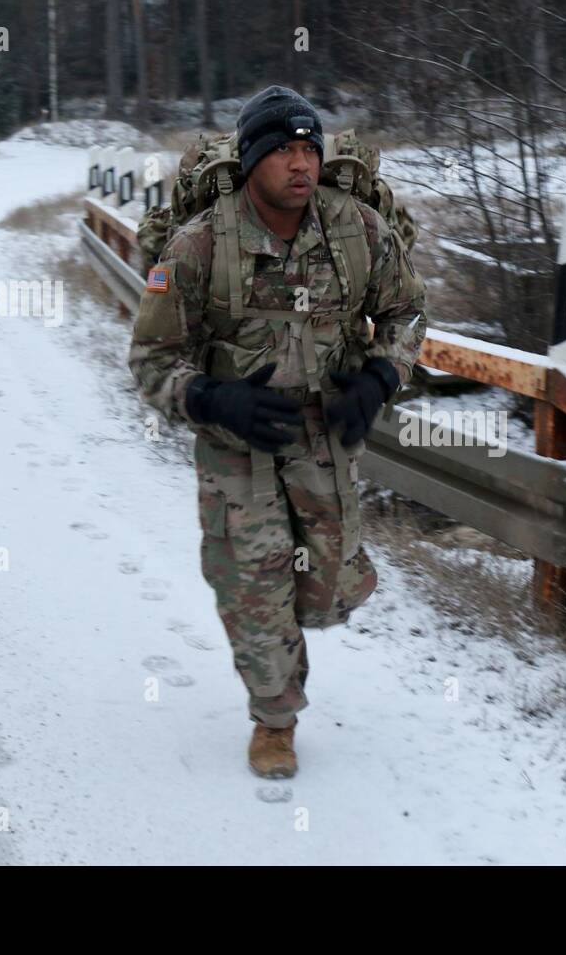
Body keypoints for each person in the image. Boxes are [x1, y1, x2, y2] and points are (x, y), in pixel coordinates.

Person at [128, 85, 427, 778]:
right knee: (255, 585)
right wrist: (208, 398)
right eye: (284, 150)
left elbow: (408, 312)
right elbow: (151, 358)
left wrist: (383, 376)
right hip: (239, 444)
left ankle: (301, 625)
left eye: (309, 149)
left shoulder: (357, 230)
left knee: (326, 589)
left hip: (326, 436)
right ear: (252, 158)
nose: (301, 164)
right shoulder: (201, 244)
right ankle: (274, 719)